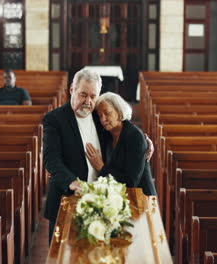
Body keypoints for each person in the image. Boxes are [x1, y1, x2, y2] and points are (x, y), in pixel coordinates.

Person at [43, 68, 153, 243]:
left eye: (93, 96)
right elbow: (51, 159)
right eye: (83, 94)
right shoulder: (54, 119)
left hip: (102, 202)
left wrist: (145, 143)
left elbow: (123, 131)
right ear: (72, 89)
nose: (88, 101)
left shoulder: (98, 115)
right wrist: (71, 182)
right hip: (67, 200)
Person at [84, 92, 157, 196]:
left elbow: (131, 182)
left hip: (140, 197)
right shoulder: (106, 134)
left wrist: (101, 168)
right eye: (100, 115)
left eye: (107, 113)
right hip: (117, 196)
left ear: (119, 111)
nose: (103, 119)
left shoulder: (134, 136)